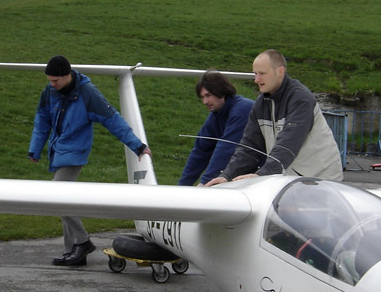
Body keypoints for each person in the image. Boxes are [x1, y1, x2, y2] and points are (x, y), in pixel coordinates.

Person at [29, 56, 151, 267]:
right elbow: (42, 120)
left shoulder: (87, 93)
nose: (52, 84)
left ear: (68, 75)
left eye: (55, 80)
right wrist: (35, 148)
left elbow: (112, 119)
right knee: (63, 198)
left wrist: (137, 145)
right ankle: (73, 252)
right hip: (58, 150)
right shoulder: (50, 92)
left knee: (56, 196)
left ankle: (83, 242)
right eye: (50, 80)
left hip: (75, 153)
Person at [204, 50, 342, 185]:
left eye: (262, 74)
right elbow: (249, 147)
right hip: (293, 177)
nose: (256, 80)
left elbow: (288, 144)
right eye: (255, 74)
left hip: (322, 178)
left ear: (280, 71)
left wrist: (261, 175)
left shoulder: (301, 99)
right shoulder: (261, 104)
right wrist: (227, 175)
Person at [178, 71, 254, 186]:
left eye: (208, 95)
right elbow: (200, 151)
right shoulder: (216, 114)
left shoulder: (242, 110)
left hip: (258, 174)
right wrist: (182, 187)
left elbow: (227, 148)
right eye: (202, 97)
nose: (205, 102)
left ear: (221, 91)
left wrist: (205, 182)